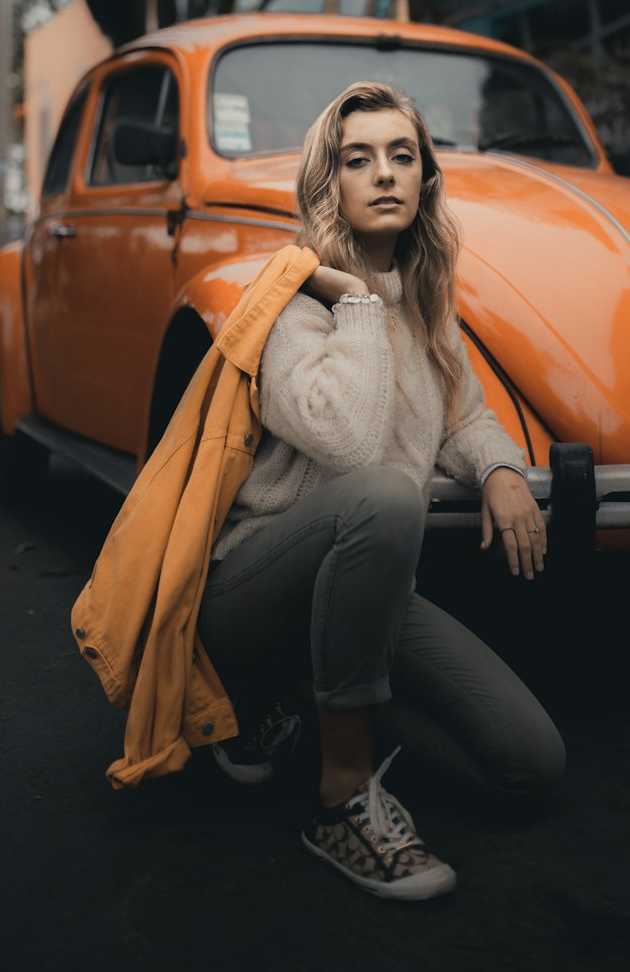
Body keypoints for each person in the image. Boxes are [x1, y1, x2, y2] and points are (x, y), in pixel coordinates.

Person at [198, 81, 565, 901]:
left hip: (366, 584)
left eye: (403, 156)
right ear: (329, 184)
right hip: (250, 593)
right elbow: (353, 444)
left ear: (426, 180)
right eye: (359, 160)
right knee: (385, 497)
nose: (386, 173)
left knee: (531, 767)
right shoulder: (290, 302)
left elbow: (467, 419)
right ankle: (337, 796)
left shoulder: (431, 308)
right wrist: (358, 299)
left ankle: (307, 697)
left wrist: (501, 469)